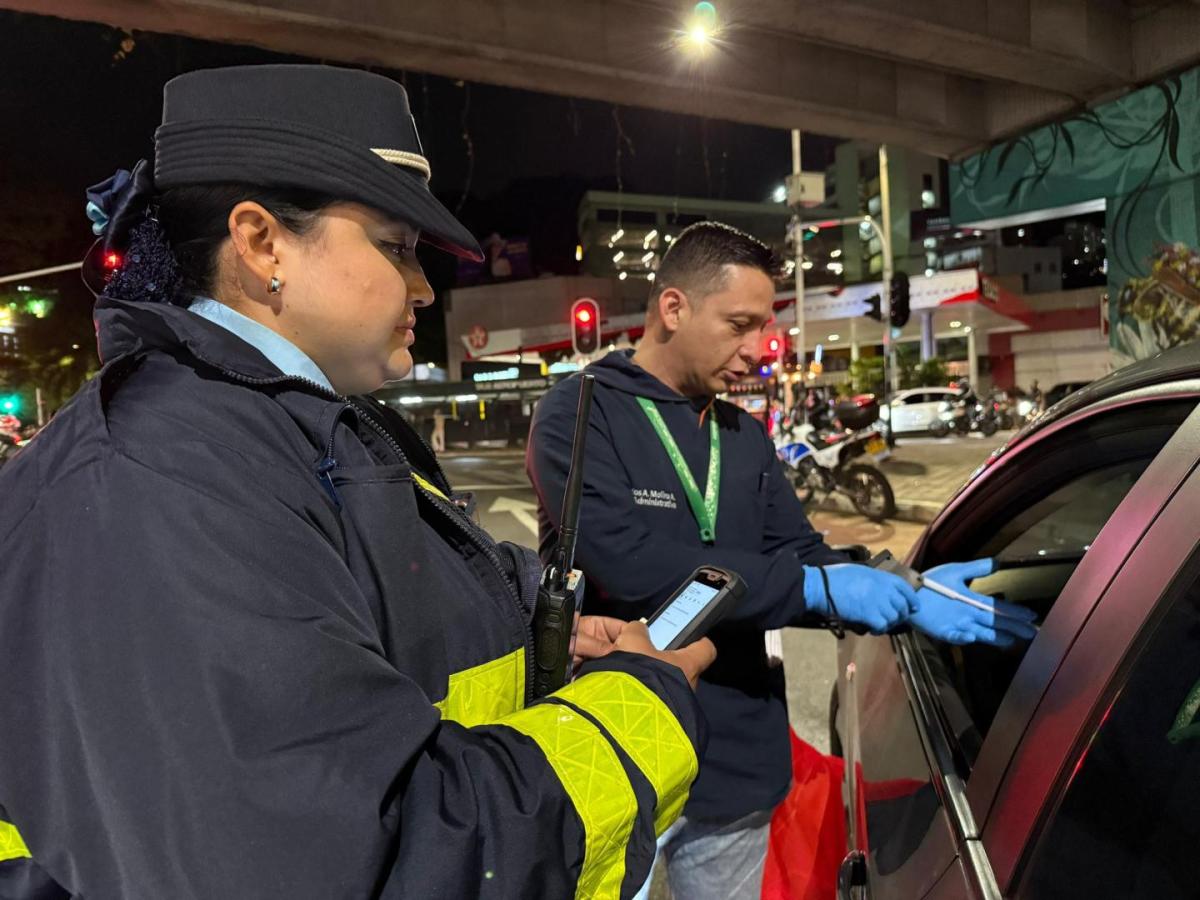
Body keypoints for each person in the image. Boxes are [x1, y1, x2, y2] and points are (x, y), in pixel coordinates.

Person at [0, 65, 716, 900]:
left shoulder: (292, 424)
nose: (423, 287)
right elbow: (370, 858)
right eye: (397, 245)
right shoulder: (157, 480)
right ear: (263, 243)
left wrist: (536, 634)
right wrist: (638, 710)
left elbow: (371, 619)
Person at [526, 222, 1038, 899]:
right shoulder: (581, 412)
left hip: (737, 758)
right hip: (618, 748)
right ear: (673, 308)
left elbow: (796, 550)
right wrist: (818, 588)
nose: (755, 352)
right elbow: (630, 565)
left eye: (763, 328)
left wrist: (901, 584)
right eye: (738, 325)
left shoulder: (743, 434)